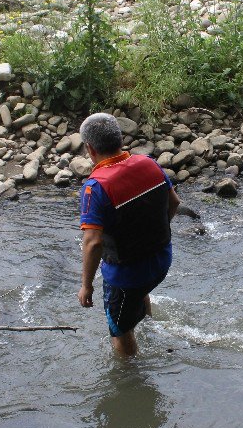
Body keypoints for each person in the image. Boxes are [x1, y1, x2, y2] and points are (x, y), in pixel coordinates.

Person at [77, 113, 180, 356]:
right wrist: (152, 233)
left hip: (126, 276)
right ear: (120, 140)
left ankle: (131, 374)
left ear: (90, 149)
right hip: (161, 261)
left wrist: (86, 286)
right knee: (138, 292)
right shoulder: (149, 164)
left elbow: (92, 244)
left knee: (120, 332)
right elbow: (174, 203)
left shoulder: (95, 188)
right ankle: (149, 325)